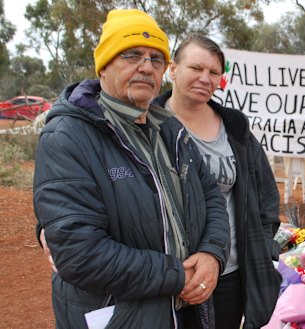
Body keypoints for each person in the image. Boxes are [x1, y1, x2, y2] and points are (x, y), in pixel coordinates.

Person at [33, 9, 230, 329]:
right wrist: (177, 275)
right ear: (105, 66)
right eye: (132, 54)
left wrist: (211, 254)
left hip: (185, 312)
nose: (146, 66)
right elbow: (79, 253)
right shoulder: (68, 136)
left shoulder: (170, 130)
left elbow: (210, 195)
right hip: (118, 317)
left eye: (156, 59)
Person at [152, 34, 282, 329]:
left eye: (213, 72)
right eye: (196, 68)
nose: (205, 78)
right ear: (173, 68)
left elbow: (264, 194)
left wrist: (264, 246)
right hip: (168, 278)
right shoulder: (148, 125)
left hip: (228, 275)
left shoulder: (235, 127)